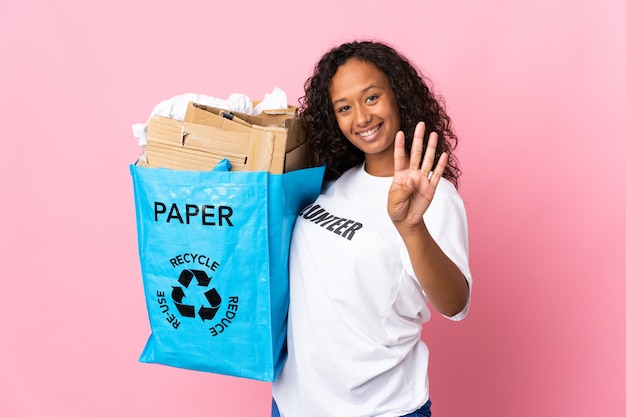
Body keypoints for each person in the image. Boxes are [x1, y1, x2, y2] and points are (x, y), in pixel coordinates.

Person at [271, 40, 472, 417]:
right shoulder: (330, 182)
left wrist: (411, 227)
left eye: (371, 98)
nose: (361, 118)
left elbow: (455, 304)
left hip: (379, 408)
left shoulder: (431, 195)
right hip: (294, 403)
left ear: (398, 96)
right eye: (344, 108)